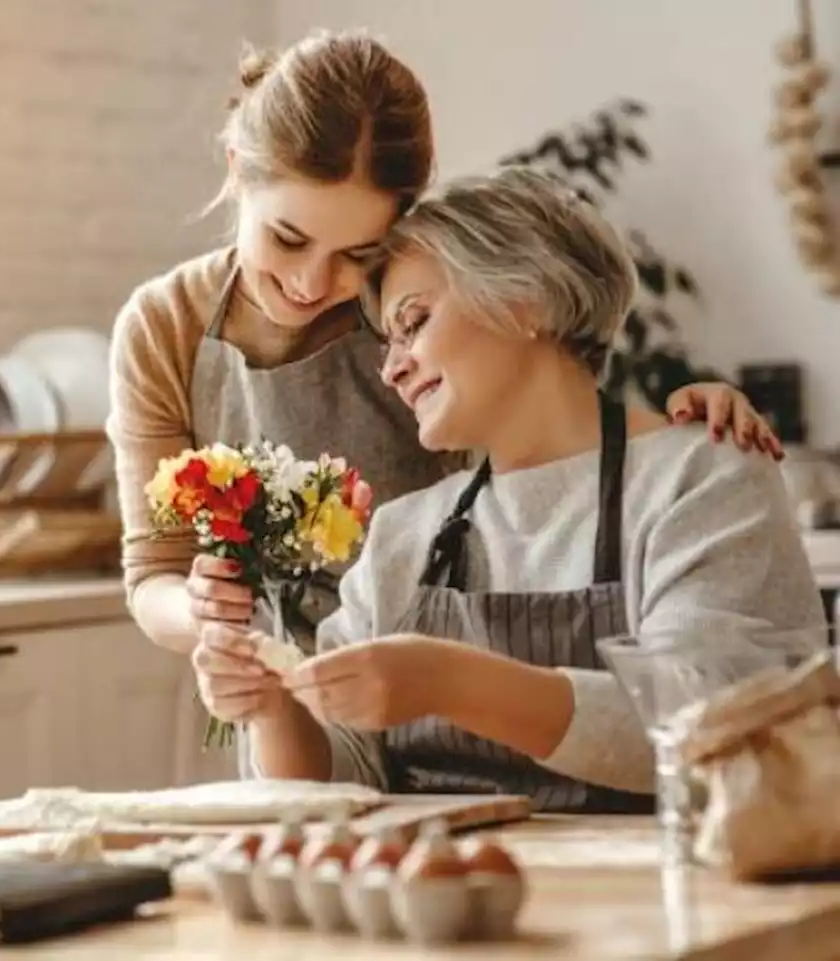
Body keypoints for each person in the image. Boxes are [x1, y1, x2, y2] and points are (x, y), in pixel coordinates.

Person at [108, 29, 783, 661]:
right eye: (287, 238)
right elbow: (152, 575)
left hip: (440, 685)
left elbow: (549, 440)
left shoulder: (416, 304)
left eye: (358, 253)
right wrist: (207, 613)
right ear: (236, 169)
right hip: (276, 689)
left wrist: (673, 432)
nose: (312, 282)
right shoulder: (164, 328)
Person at [192, 165, 826, 812]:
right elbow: (342, 779)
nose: (391, 366)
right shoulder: (403, 535)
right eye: (388, 341)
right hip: (454, 902)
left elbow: (713, 727)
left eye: (414, 322)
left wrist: (450, 679)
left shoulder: (700, 478)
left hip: (667, 897)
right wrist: (274, 709)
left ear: (527, 299)